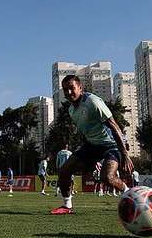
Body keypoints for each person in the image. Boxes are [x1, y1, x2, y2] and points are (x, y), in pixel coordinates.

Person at [51, 75, 133, 214]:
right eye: (65, 90)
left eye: (72, 88)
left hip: (112, 145)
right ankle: (67, 206)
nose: (69, 93)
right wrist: (91, 158)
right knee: (65, 170)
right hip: (92, 146)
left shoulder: (93, 102)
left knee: (107, 178)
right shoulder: (71, 110)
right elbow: (86, 132)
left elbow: (114, 127)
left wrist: (125, 154)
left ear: (80, 87)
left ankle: (130, 194)